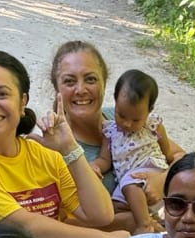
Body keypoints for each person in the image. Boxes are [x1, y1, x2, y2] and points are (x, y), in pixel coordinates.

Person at [0, 50, 127, 238]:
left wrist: (70, 149)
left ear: (22, 102)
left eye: (1, 94)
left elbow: (102, 215)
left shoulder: (45, 156)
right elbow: (23, 227)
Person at [48, 41, 167, 226]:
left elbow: (179, 158)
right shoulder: (54, 148)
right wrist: (133, 221)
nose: (80, 90)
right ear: (57, 88)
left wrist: (163, 179)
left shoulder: (128, 116)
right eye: (69, 81)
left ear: (105, 82)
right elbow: (65, 223)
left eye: (90, 79)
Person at [90, 69, 186, 234]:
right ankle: (151, 220)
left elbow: (169, 154)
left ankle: (144, 225)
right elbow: (105, 160)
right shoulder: (110, 131)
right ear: (115, 101)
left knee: (131, 183)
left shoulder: (153, 126)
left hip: (151, 169)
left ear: (149, 111)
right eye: (121, 115)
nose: (127, 124)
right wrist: (94, 166)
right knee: (112, 207)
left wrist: (165, 176)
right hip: (128, 182)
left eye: (135, 119)